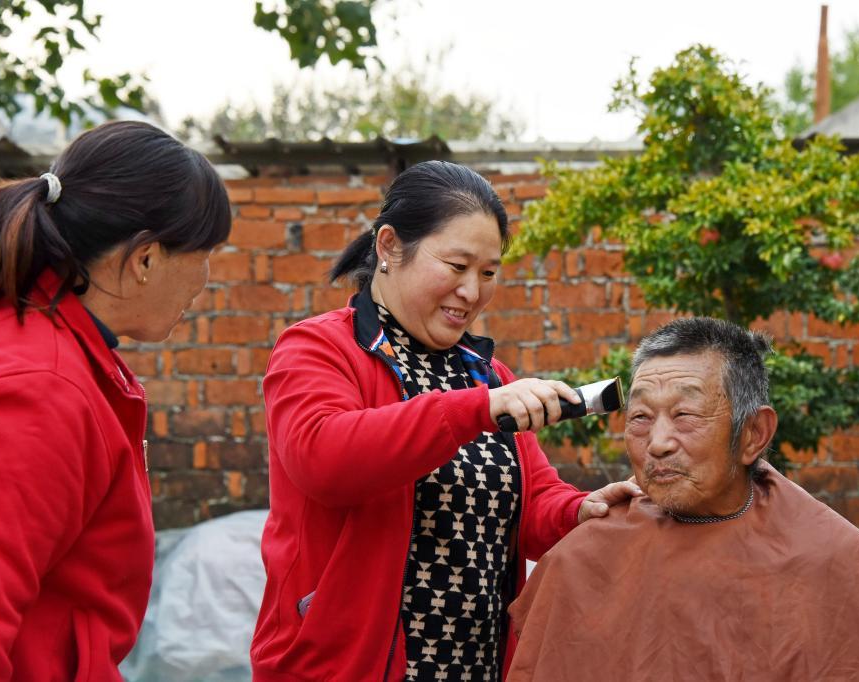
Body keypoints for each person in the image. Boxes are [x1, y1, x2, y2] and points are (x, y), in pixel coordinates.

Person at [252, 160, 641, 681]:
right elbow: (323, 459)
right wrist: (475, 409)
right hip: (343, 668)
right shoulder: (318, 348)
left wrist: (580, 510)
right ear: (390, 247)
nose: (472, 291)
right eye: (457, 266)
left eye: (488, 273)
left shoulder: (487, 375)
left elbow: (530, 507)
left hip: (475, 666)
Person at [507, 317, 859, 682]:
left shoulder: (826, 553)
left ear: (753, 434)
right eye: (640, 417)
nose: (658, 443)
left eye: (685, 415)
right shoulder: (584, 559)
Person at [0, 120, 231, 680]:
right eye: (205, 253)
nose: (205, 280)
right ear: (146, 258)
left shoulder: (65, 354)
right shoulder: (42, 386)